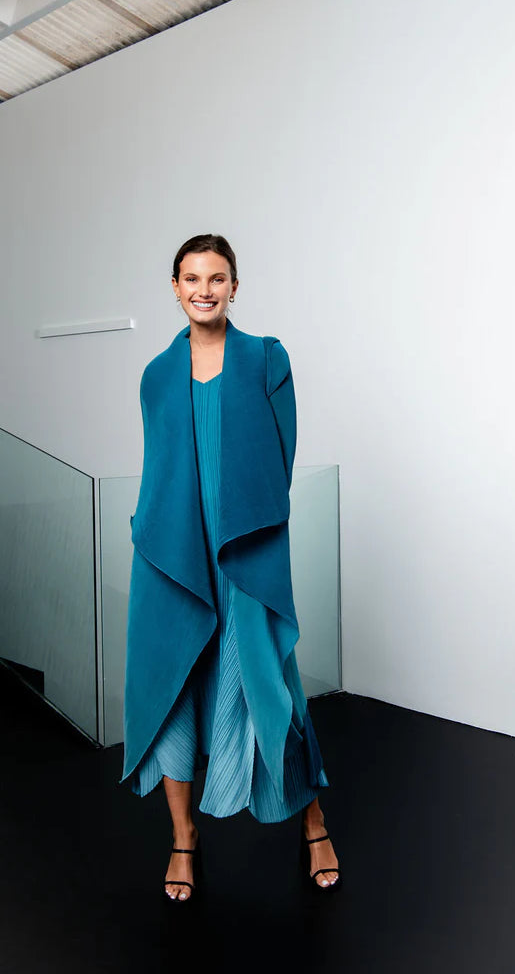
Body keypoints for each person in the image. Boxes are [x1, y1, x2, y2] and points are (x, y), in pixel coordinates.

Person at [122, 233, 340, 902]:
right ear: (174, 286)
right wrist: (149, 533)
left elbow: (280, 461)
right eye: (191, 277)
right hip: (172, 555)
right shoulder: (157, 375)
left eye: (216, 278)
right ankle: (182, 840)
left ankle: (314, 823)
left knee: (271, 687)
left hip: (245, 552)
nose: (204, 289)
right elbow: (158, 465)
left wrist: (257, 540)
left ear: (234, 287)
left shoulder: (266, 360)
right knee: (172, 691)